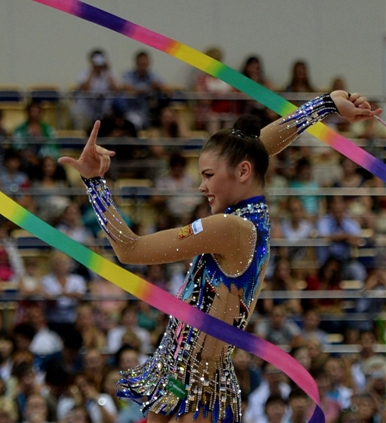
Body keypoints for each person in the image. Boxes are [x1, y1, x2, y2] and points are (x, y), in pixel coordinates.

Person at [59, 90, 379, 423]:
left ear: (242, 172)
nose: (202, 186)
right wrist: (325, 104)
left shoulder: (229, 227)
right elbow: (259, 145)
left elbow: (130, 249)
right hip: (180, 378)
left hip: (198, 391)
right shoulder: (250, 214)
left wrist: (94, 182)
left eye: (208, 175)